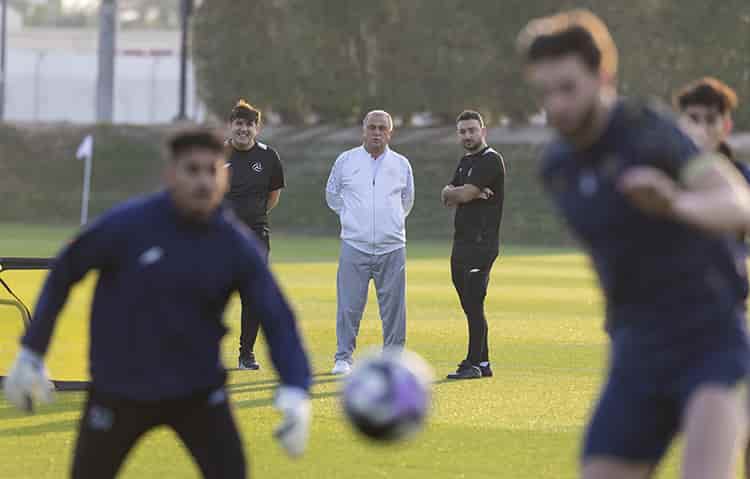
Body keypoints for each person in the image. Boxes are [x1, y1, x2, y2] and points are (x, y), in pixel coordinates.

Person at [518, 10, 750, 479]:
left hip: (709, 340)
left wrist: (676, 204)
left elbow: (736, 202)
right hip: (636, 350)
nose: (555, 105)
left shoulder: (650, 133)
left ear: (604, 77)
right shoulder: (557, 167)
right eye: (544, 92)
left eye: (568, 88)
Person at [3, 128, 312, 479]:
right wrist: (32, 351)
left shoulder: (234, 244)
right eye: (191, 170)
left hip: (199, 392)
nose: (202, 181)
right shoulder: (128, 225)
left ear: (224, 179)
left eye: (211, 171)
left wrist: (296, 388)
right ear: (170, 174)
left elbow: (276, 316)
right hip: (119, 389)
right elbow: (64, 272)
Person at [673, 77, 750, 479]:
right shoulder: (663, 178)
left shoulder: (741, 178)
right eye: (692, 118)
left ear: (725, 125)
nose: (701, 127)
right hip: (672, 332)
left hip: (729, 325)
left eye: (710, 119)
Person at [325, 110, 415, 375]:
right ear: (363, 130)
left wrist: (391, 223)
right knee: (349, 305)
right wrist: (353, 219)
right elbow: (332, 195)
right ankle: (343, 357)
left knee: (394, 308)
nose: (377, 132)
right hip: (355, 244)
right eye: (372, 127)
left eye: (382, 128)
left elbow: (407, 201)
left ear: (390, 132)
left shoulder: (402, 164)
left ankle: (394, 359)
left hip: (392, 246)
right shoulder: (346, 160)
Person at [441, 110, 505, 380]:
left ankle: (473, 363)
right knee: (469, 305)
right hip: (461, 243)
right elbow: (447, 195)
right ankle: (484, 362)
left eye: (471, 130)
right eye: (462, 131)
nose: (467, 135)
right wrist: (464, 193)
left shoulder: (491, 160)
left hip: (481, 245)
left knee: (475, 303)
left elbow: (462, 193)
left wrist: (467, 192)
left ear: (483, 131)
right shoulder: (465, 161)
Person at [224, 99, 286, 370]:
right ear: (231, 125)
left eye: (249, 125)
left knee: (253, 296)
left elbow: (273, 196)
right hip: (218, 236)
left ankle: (245, 354)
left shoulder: (268, 156)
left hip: (255, 235)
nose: (244, 129)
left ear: (256, 128)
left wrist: (254, 216)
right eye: (239, 123)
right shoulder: (216, 154)